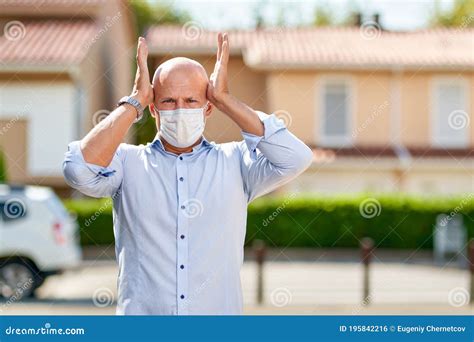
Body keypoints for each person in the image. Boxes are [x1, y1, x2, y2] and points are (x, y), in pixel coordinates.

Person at [63, 33, 313, 315]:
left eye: (191, 100)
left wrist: (225, 99)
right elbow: (78, 170)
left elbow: (296, 158)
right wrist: (135, 101)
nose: (180, 110)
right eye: (168, 101)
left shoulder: (236, 162)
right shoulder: (126, 163)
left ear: (208, 108)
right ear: (154, 110)